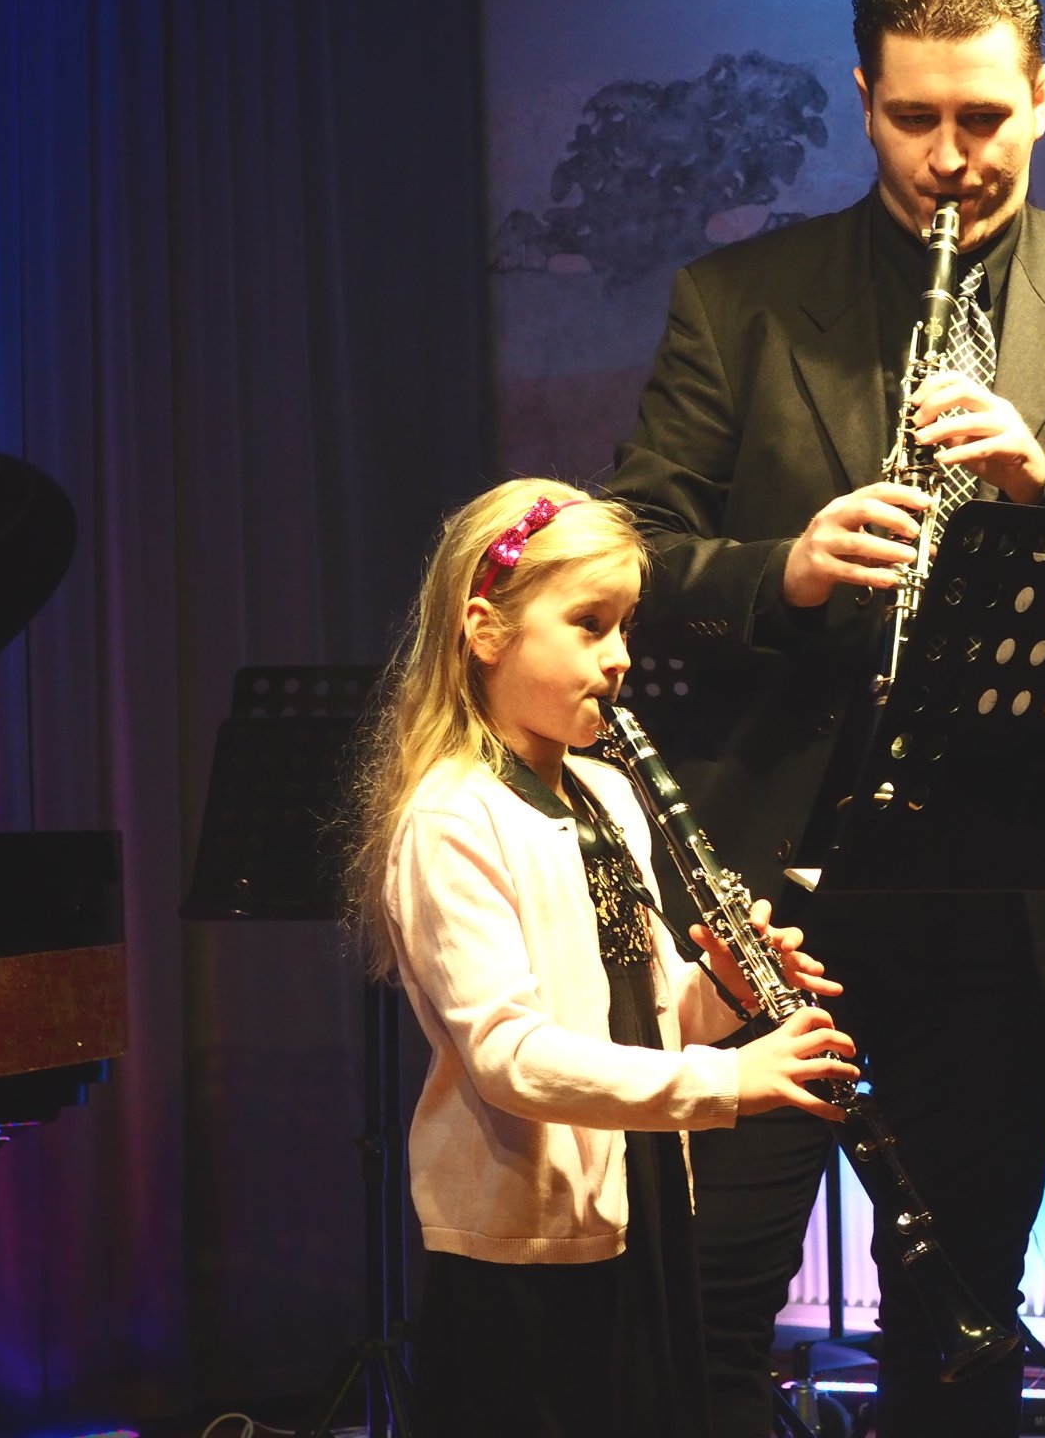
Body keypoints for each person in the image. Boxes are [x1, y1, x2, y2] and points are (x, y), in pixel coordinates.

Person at [603, 0, 1045, 1438]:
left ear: (1044, 97)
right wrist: (782, 571)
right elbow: (627, 551)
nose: (951, 159)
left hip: (998, 890)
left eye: (983, 117)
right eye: (915, 119)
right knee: (707, 1301)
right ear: (864, 101)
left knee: (961, 1321)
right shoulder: (738, 302)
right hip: (771, 896)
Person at [343, 479, 858, 1438]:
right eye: (588, 625)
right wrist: (729, 1080)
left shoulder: (609, 793)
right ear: (486, 631)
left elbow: (642, 1008)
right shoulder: (454, 817)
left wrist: (725, 994)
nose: (618, 657)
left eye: (624, 627)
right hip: (526, 1241)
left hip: (637, 1192)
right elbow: (511, 1057)